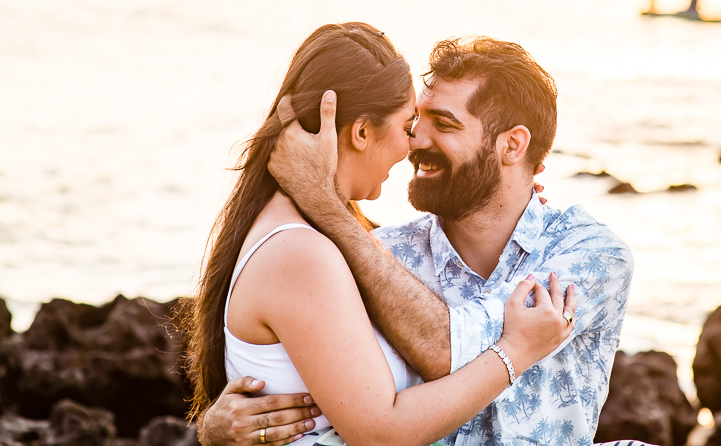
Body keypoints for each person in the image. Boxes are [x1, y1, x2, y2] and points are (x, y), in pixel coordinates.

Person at [200, 36, 634, 446]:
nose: (414, 142)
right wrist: (213, 428)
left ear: (513, 146)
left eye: (443, 124)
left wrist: (322, 198)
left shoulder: (589, 254)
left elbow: (451, 348)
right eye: (413, 123)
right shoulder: (373, 254)